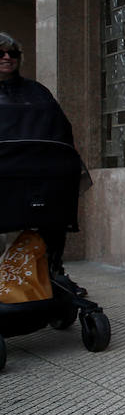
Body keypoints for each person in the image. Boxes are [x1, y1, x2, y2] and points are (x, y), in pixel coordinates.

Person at [0, 31, 77, 271]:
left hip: (40, 173)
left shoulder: (37, 91)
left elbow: (60, 128)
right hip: (3, 173)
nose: (7, 57)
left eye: (12, 53)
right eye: (0, 52)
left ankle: (53, 274)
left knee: (52, 219)